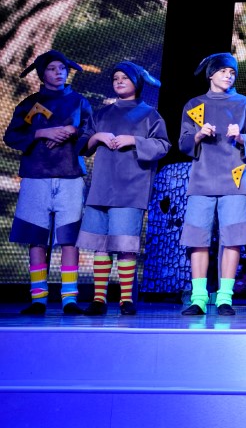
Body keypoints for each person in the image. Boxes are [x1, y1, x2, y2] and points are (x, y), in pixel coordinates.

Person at [5, 50, 94, 315]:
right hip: (36, 175)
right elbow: (12, 136)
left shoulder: (78, 101)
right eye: (53, 68)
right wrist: (42, 132)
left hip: (70, 175)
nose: (59, 73)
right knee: (36, 238)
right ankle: (38, 298)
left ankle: (69, 298)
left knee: (69, 238)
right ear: (42, 73)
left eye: (62, 68)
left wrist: (73, 131)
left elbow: (90, 132)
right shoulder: (30, 103)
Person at [77, 61, 170, 316]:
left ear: (136, 83)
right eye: (115, 77)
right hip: (101, 188)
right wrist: (96, 137)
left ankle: (126, 299)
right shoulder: (102, 114)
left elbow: (163, 145)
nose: (119, 81)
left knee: (125, 245)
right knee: (101, 245)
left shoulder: (149, 114)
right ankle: (99, 299)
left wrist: (134, 140)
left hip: (130, 189)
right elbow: (82, 144)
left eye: (124, 78)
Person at [178, 52, 246, 316]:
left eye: (232, 72)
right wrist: (199, 135)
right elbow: (183, 143)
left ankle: (225, 297)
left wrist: (242, 137)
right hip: (202, 181)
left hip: (234, 181)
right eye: (223, 71)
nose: (228, 76)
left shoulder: (244, 104)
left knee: (233, 239)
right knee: (198, 239)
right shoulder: (195, 104)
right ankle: (199, 298)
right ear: (211, 74)